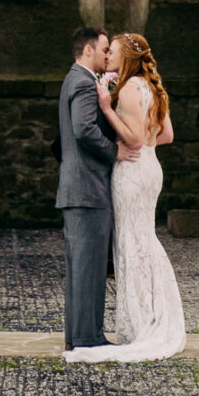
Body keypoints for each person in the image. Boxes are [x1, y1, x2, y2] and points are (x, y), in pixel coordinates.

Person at [65, 30, 185, 362]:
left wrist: (107, 108)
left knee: (131, 244)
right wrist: (145, 144)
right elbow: (167, 135)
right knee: (144, 240)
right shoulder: (151, 88)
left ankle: (139, 324)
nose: (108, 58)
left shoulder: (131, 88)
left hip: (132, 173)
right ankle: (155, 316)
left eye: (113, 53)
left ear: (126, 58)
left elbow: (131, 140)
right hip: (151, 168)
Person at [56, 22, 127, 354]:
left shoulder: (74, 79)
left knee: (80, 266)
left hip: (76, 189)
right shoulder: (84, 84)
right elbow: (84, 129)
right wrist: (116, 151)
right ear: (88, 50)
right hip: (88, 188)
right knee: (90, 267)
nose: (107, 55)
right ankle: (88, 339)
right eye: (103, 49)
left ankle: (77, 336)